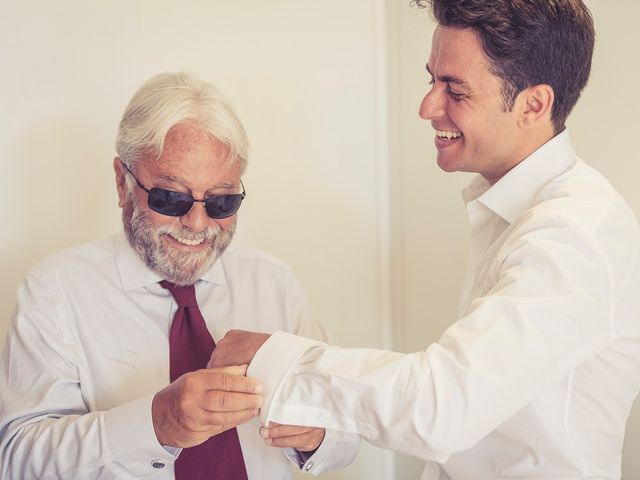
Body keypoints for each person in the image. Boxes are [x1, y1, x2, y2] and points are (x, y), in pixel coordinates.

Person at [209, 1, 640, 479]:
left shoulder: (574, 235)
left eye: (454, 89)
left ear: (533, 105)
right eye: (431, 78)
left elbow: (442, 407)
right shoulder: (514, 214)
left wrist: (275, 361)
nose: (427, 107)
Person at [0, 71, 359, 479]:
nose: (197, 223)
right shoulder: (54, 292)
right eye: (171, 198)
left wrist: (318, 435)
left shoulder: (275, 284)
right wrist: (154, 424)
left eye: (222, 201)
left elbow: (345, 435)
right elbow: (17, 460)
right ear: (122, 182)